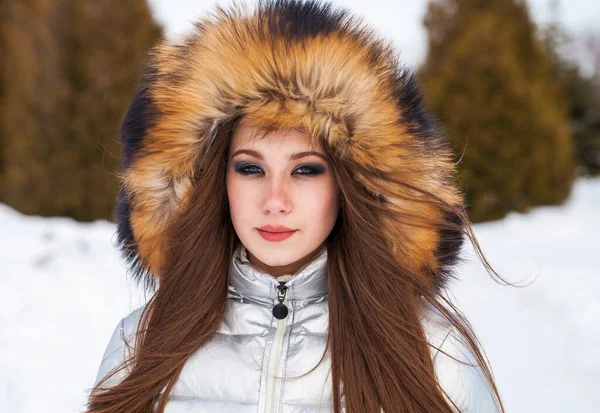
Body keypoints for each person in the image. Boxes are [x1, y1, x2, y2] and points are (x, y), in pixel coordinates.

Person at [86, 1, 506, 412]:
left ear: (350, 184)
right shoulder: (141, 343)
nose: (274, 201)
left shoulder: (434, 353)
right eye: (250, 168)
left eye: (305, 170)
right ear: (215, 180)